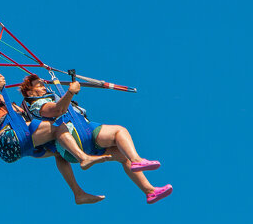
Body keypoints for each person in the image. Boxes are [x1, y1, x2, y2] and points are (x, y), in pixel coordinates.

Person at [19, 74, 173, 205]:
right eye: (39, 85)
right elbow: (58, 110)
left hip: (85, 132)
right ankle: (135, 160)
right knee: (120, 132)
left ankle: (149, 189)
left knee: (122, 147)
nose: (44, 86)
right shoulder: (36, 105)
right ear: (30, 91)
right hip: (73, 139)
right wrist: (70, 93)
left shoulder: (52, 98)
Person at [0, 72, 108, 204]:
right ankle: (83, 157)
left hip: (9, 148)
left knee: (60, 148)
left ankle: (79, 193)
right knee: (58, 126)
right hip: (9, 137)